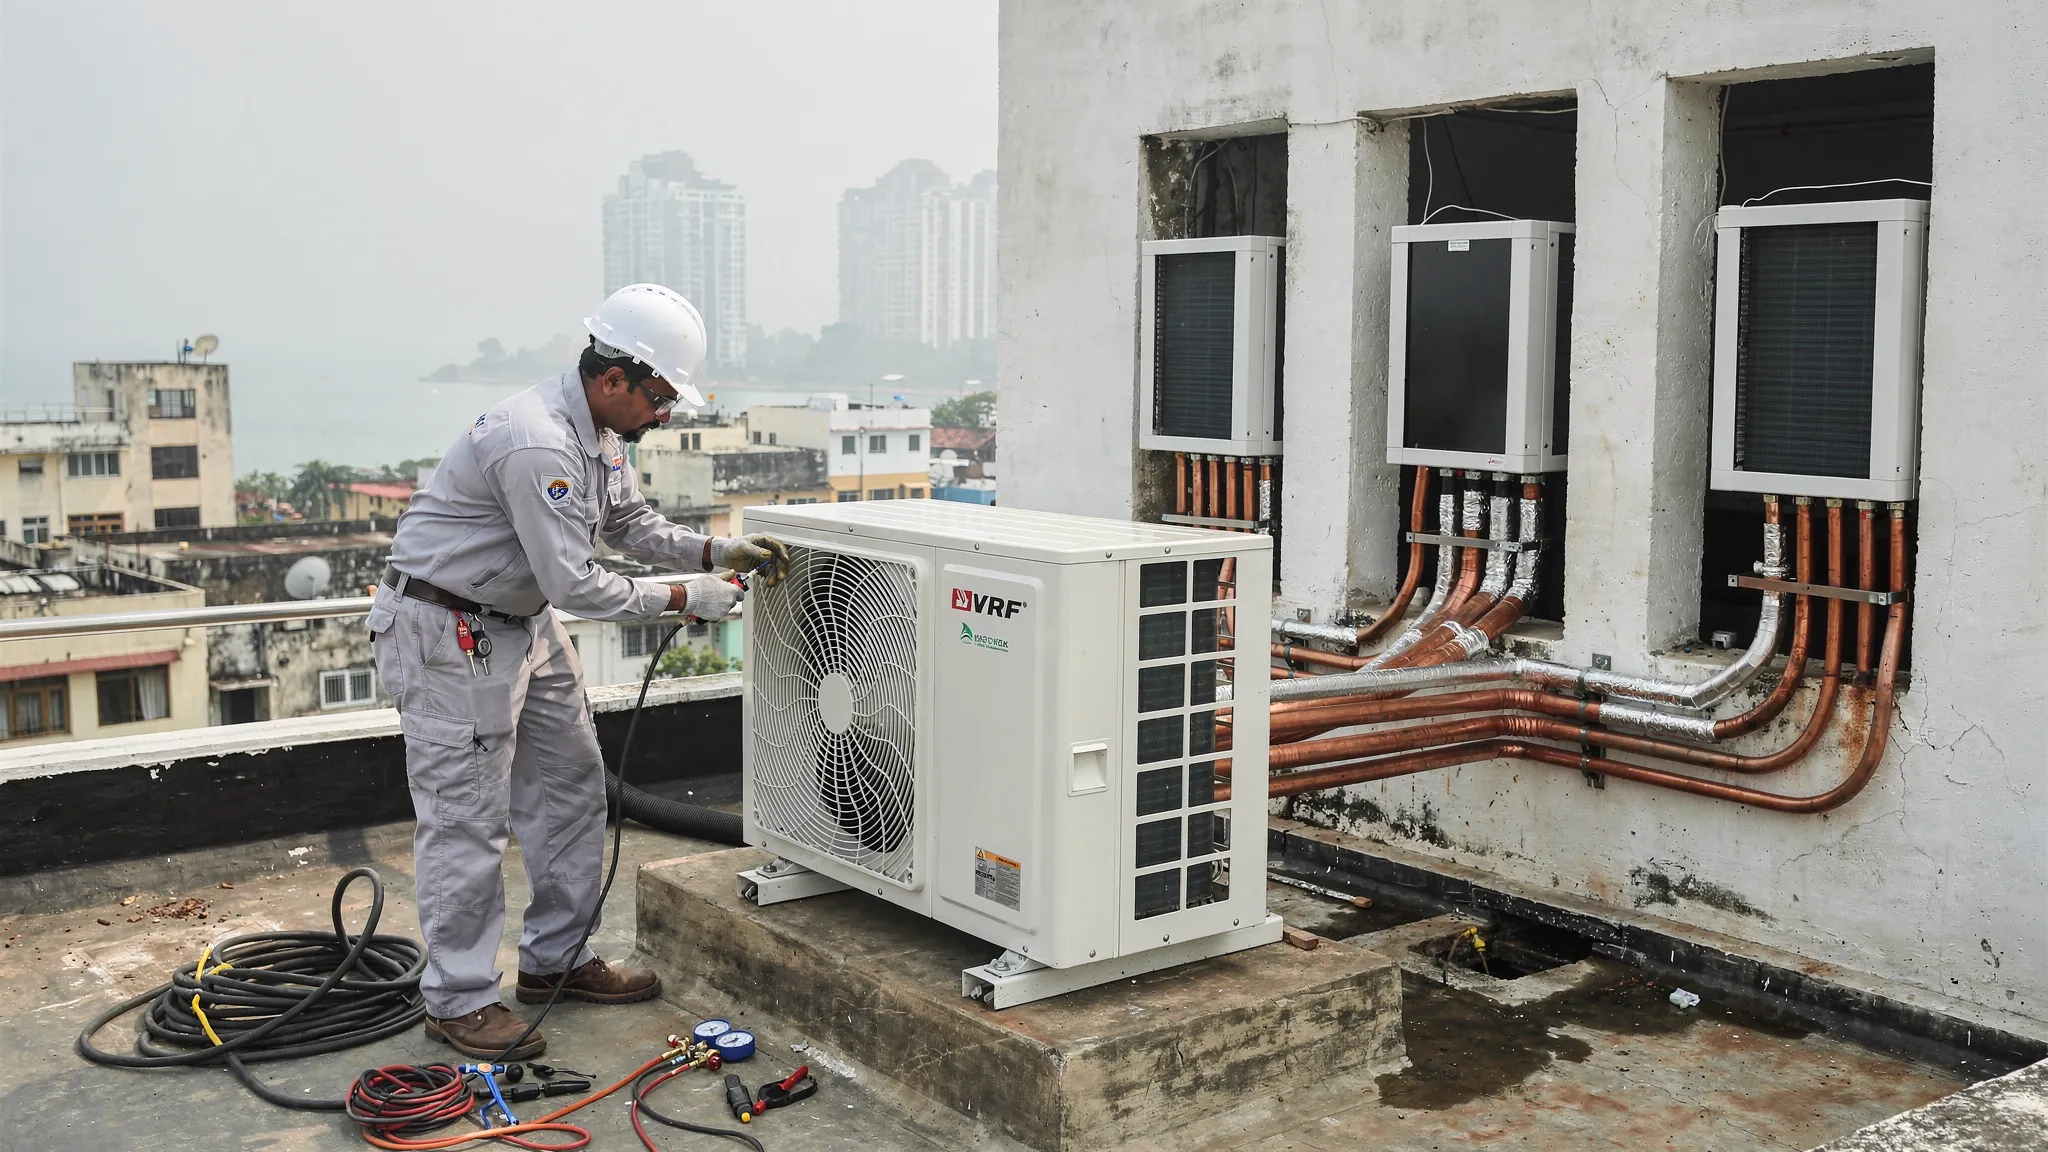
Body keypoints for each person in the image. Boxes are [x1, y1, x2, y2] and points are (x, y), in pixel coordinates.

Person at [367, 284, 789, 1058]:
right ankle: (458, 1000)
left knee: (571, 786)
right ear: (615, 377)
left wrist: (713, 552)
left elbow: (628, 524)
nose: (666, 414)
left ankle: (557, 958)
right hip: (447, 629)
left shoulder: (600, 433)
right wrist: (684, 597)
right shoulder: (538, 443)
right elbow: (576, 584)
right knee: (466, 820)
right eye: (660, 396)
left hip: (519, 623)